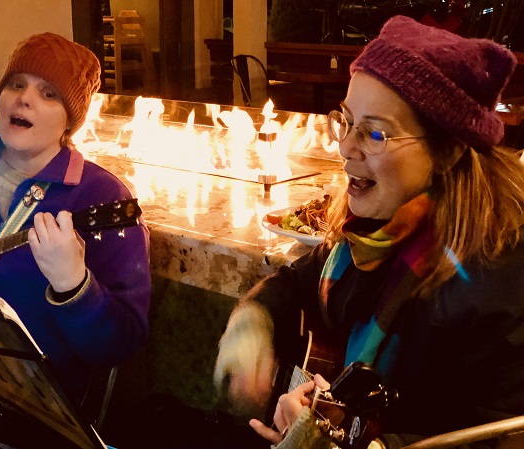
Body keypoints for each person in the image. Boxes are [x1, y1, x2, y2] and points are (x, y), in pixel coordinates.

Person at [214, 15, 524, 449]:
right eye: (345, 121)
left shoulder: (499, 280)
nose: (345, 147)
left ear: (449, 151)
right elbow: (297, 281)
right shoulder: (375, 230)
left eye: (375, 133)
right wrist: (252, 324)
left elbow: (495, 438)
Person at [0, 32, 150, 445]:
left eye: (48, 94)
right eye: (16, 84)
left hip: (32, 413)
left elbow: (122, 342)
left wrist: (74, 286)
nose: (24, 98)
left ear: (71, 119)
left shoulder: (103, 197)